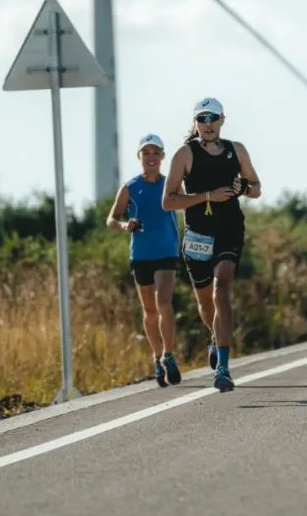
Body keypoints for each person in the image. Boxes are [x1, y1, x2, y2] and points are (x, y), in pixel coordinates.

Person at [163, 97, 261, 393]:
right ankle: (215, 338)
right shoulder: (184, 154)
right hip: (198, 235)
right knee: (206, 303)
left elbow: (256, 187)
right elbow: (168, 201)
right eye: (202, 119)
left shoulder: (237, 150)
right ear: (195, 123)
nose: (208, 124)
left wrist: (242, 188)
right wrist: (206, 196)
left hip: (230, 229)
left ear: (222, 120)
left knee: (222, 288)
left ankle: (224, 368)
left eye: (213, 118)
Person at [107, 134, 183, 387]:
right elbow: (111, 220)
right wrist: (124, 224)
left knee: (164, 302)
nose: (151, 157)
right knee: (149, 310)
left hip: (167, 251)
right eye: (146, 153)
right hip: (141, 255)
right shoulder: (129, 188)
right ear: (139, 157)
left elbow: (187, 205)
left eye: (155, 153)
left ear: (162, 156)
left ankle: (169, 355)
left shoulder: (170, 184)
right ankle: (155, 356)